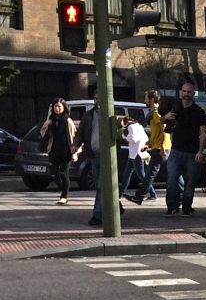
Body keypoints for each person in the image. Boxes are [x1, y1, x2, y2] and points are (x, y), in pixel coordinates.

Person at [71, 88, 121, 226]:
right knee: (102, 185)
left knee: (101, 185)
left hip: (107, 156)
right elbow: (80, 132)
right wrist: (75, 145)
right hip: (93, 155)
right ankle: (117, 206)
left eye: (100, 98)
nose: (97, 101)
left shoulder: (112, 115)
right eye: (96, 98)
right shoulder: (89, 115)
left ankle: (98, 215)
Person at [163, 83, 206, 218]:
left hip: (191, 151)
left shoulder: (198, 112)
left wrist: (200, 151)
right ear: (181, 92)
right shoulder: (175, 110)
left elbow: (203, 133)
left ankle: (187, 207)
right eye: (184, 91)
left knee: (190, 180)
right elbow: (163, 126)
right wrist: (166, 117)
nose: (186, 94)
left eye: (189, 92)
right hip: (175, 150)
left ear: (193, 94)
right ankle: (172, 207)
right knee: (171, 177)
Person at [128, 91, 169, 204]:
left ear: (151, 99)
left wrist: (162, 146)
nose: (144, 101)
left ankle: (139, 196)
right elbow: (156, 132)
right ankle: (181, 194)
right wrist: (148, 144)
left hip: (160, 148)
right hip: (159, 146)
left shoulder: (155, 113)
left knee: (150, 174)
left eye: (146, 99)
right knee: (171, 173)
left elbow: (164, 127)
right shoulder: (154, 113)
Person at [40, 98, 76, 205]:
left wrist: (75, 152)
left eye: (59, 106)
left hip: (66, 151)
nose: (57, 108)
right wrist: (47, 124)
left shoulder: (68, 121)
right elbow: (42, 133)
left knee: (64, 173)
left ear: (64, 107)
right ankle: (63, 188)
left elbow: (73, 137)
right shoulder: (51, 120)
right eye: (55, 106)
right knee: (53, 173)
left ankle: (64, 196)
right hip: (54, 151)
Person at [119, 116, 149, 203]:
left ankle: (153, 193)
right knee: (127, 174)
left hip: (135, 154)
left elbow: (133, 139)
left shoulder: (131, 127)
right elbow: (146, 138)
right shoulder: (139, 126)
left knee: (142, 175)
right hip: (134, 154)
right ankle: (121, 193)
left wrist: (125, 136)